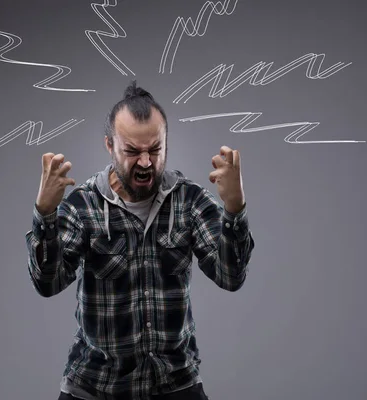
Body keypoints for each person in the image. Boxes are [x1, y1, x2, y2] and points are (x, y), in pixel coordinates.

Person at [25, 81, 255, 400]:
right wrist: (45, 214)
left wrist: (234, 208)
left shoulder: (189, 201)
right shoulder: (83, 206)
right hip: (95, 387)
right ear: (110, 146)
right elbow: (47, 284)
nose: (145, 163)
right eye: (133, 151)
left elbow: (230, 277)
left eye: (155, 150)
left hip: (175, 384)